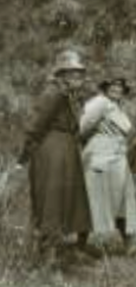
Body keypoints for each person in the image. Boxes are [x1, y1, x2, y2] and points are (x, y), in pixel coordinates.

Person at [16, 50, 92, 272]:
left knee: (63, 199)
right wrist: (24, 156)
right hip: (52, 151)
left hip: (64, 150)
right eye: (74, 73)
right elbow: (37, 125)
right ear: (62, 75)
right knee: (52, 201)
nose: (79, 77)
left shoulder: (66, 95)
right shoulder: (54, 93)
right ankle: (47, 259)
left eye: (80, 73)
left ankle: (57, 252)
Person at [80, 74, 136, 254]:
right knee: (92, 199)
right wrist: (96, 143)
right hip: (101, 157)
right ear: (105, 88)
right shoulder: (99, 103)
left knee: (124, 201)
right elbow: (82, 128)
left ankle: (129, 246)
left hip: (118, 157)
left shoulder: (117, 107)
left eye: (120, 86)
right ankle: (80, 244)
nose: (117, 89)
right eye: (113, 86)